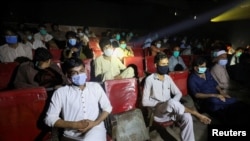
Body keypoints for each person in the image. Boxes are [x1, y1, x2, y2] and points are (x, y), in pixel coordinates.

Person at [142, 52, 211, 141]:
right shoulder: (150, 79)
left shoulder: (168, 78)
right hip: (159, 112)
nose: (165, 66)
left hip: (172, 111)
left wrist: (173, 103)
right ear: (156, 65)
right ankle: (196, 114)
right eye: (163, 64)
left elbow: (178, 93)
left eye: (167, 64)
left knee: (187, 117)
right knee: (171, 102)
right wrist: (161, 103)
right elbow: (144, 102)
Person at [44, 57, 112, 140]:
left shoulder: (95, 87)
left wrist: (94, 123)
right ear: (67, 75)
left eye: (81, 71)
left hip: (95, 129)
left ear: (86, 71)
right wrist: (75, 125)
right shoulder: (60, 92)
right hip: (71, 135)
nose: (79, 75)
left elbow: (107, 107)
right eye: (74, 73)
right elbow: (49, 119)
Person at [188, 56, 250, 125]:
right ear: (195, 68)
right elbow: (197, 95)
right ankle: (229, 104)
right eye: (202, 67)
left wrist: (221, 92)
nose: (204, 69)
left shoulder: (207, 72)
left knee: (233, 103)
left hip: (217, 96)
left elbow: (215, 84)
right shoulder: (192, 79)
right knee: (214, 102)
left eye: (205, 67)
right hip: (207, 99)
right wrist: (215, 95)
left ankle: (230, 105)